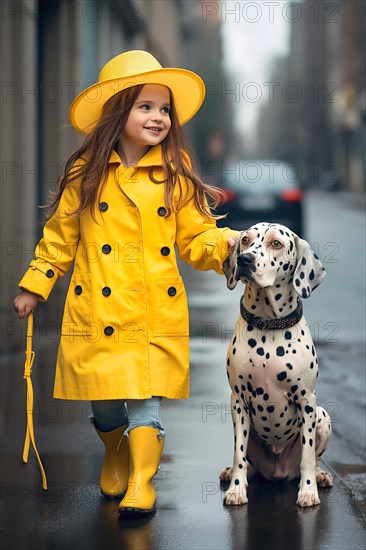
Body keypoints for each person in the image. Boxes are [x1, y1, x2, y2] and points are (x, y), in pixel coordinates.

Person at [14, 50, 237, 516]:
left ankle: (141, 482)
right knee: (106, 404)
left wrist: (231, 245)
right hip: (98, 307)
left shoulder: (174, 174)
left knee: (145, 402)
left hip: (155, 309)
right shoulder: (86, 173)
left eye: (164, 108)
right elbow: (61, 236)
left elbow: (197, 238)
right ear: (118, 112)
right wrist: (36, 284)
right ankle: (115, 452)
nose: (158, 117)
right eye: (145, 106)